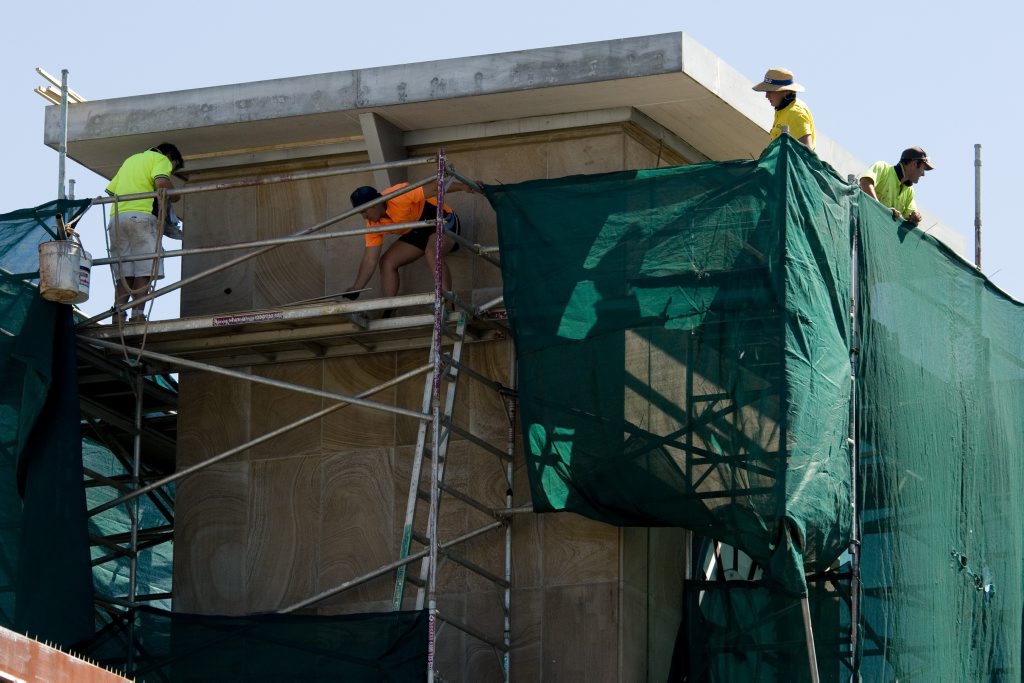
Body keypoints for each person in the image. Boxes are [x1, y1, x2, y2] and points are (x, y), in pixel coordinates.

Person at [345, 180, 473, 301]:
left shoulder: (398, 194)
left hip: (443, 220)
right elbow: (369, 259)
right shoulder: (372, 224)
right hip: (417, 230)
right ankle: (389, 310)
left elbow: (435, 187)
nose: (364, 217)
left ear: (376, 203)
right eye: (360, 213)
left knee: (432, 252)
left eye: (364, 211)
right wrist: (356, 288)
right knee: (387, 262)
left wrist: (463, 186)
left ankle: (445, 302)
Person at [105, 142, 184, 322]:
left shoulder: (130, 160)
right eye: (174, 167)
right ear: (171, 157)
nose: (171, 170)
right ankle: (137, 315)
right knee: (144, 269)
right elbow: (162, 184)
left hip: (117, 219)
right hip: (140, 218)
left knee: (125, 273)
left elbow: (111, 191)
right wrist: (177, 194)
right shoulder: (161, 159)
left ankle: (118, 314)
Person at [859, 147, 934, 226]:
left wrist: (915, 219)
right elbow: (865, 183)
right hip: (860, 225)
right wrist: (881, 210)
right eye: (923, 169)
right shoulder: (883, 167)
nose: (923, 174)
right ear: (914, 164)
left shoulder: (909, 191)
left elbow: (911, 218)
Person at [752, 67, 816, 151]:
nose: (766, 95)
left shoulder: (795, 112)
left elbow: (807, 151)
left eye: (770, 91)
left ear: (785, 91)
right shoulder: (783, 109)